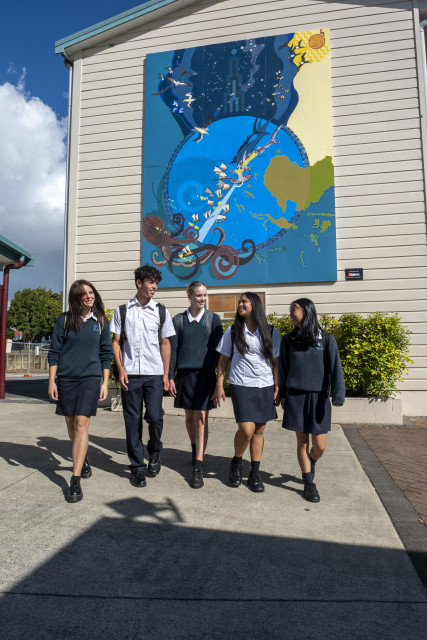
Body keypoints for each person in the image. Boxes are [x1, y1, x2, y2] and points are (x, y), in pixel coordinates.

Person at [48, 280, 113, 503]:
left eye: (91, 292)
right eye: (84, 293)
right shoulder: (64, 320)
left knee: (81, 423)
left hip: (90, 379)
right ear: (76, 297)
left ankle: (75, 480)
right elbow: (54, 352)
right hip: (66, 379)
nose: (89, 296)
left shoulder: (101, 321)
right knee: (70, 423)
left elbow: (106, 354)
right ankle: (82, 458)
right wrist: (52, 381)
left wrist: (104, 382)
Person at [111, 265, 175, 487]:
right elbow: (116, 342)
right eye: (151, 282)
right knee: (132, 421)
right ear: (139, 283)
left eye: (156, 283)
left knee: (155, 417)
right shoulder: (122, 311)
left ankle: (154, 452)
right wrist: (121, 368)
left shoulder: (161, 312)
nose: (154, 286)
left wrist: (166, 374)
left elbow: (166, 343)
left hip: (154, 374)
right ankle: (137, 467)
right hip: (130, 374)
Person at [212, 292, 280, 492]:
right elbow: (223, 359)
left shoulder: (271, 331)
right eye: (239, 302)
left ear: (255, 305)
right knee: (246, 430)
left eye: (244, 301)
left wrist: (277, 386)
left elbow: (276, 362)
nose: (240, 304)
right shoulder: (233, 331)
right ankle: (237, 461)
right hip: (241, 384)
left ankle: (254, 473)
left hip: (264, 384)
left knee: (259, 430)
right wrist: (219, 384)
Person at [279, 298, 345, 503]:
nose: (291, 314)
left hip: (319, 398)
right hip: (296, 396)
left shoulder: (326, 339)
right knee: (302, 442)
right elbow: (283, 369)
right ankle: (308, 483)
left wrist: (338, 394)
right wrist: (282, 394)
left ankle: (311, 460)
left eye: (295, 309)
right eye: (290, 310)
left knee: (320, 446)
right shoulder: (288, 340)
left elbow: (335, 368)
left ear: (307, 311)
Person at [168, 281, 223, 489]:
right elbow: (172, 350)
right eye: (199, 295)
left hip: (205, 376)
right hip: (184, 376)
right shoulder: (178, 320)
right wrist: (170, 377)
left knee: (201, 419)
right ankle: (195, 448)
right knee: (190, 417)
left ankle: (198, 465)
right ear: (189, 296)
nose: (202, 299)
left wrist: (219, 381)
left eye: (205, 295)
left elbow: (220, 353)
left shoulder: (213, 319)